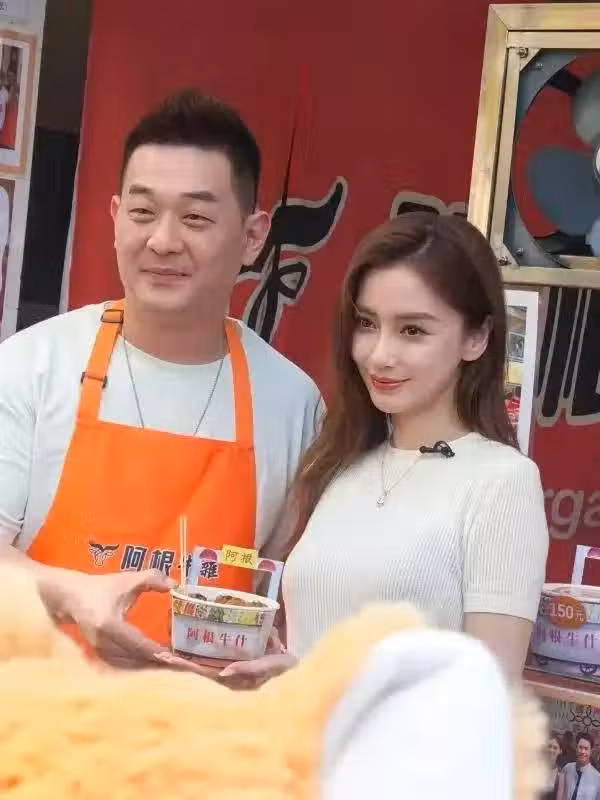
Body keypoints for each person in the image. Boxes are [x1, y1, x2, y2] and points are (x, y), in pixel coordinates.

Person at [0, 89, 323, 670]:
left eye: (195, 218)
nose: (163, 241)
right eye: (143, 212)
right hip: (34, 714)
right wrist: (69, 593)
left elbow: (284, 591)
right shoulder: (32, 367)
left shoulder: (291, 403)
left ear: (253, 237)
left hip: (201, 721)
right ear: (114, 217)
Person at [221, 211, 549, 688]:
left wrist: (316, 685)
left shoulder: (502, 482)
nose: (379, 354)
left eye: (412, 330)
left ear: (477, 337)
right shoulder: (335, 462)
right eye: (367, 323)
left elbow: (488, 697)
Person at [558, 734, 600, 800]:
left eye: (586, 749)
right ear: (576, 748)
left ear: (591, 751)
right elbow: (560, 795)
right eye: (580, 747)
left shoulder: (597, 778)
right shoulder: (567, 769)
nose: (582, 751)